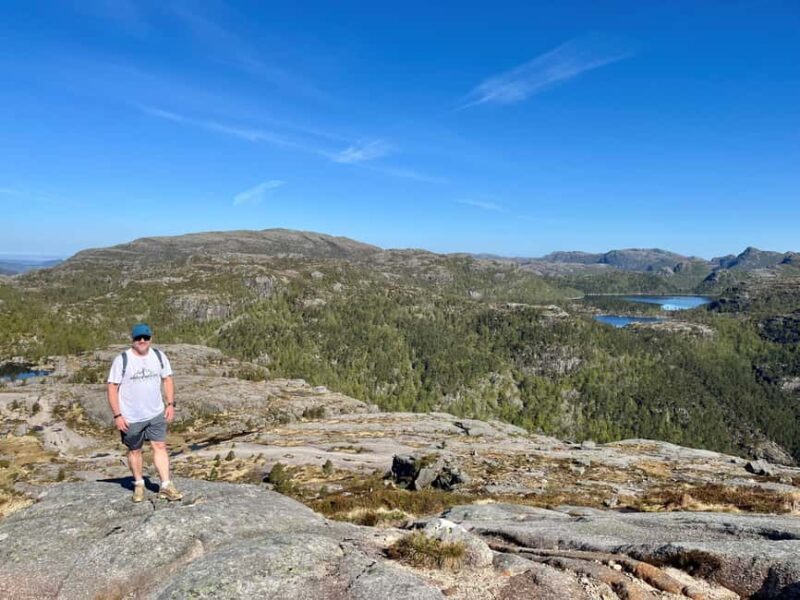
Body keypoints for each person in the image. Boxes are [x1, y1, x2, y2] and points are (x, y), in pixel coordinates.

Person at [107, 323, 182, 502]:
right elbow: (112, 387)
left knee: (160, 446)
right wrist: (117, 415)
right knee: (135, 450)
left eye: (145, 338)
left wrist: (170, 404)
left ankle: (165, 485)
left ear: (150, 339)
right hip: (131, 417)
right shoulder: (122, 359)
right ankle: (139, 484)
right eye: (138, 338)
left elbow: (168, 380)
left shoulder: (159, 356)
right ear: (132, 340)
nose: (142, 341)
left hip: (156, 413)